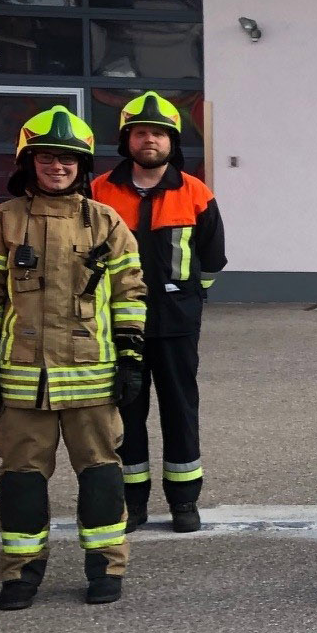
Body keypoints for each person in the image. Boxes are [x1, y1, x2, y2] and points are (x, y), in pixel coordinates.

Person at [0, 106, 146, 610]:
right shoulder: (1, 223)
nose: (57, 167)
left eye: (67, 159)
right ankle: (20, 574)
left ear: (82, 166)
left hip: (91, 377)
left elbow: (131, 294)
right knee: (21, 480)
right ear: (29, 162)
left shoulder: (106, 222)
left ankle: (106, 568)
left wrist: (131, 357)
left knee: (101, 475)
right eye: (46, 158)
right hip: (24, 379)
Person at [92, 91, 227, 534]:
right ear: (126, 139)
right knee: (125, 412)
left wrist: (189, 299)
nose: (149, 140)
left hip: (175, 324)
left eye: (158, 133)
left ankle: (184, 501)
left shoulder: (196, 193)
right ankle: (133, 502)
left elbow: (212, 259)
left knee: (180, 409)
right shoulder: (98, 192)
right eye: (140, 133)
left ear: (172, 141)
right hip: (116, 323)